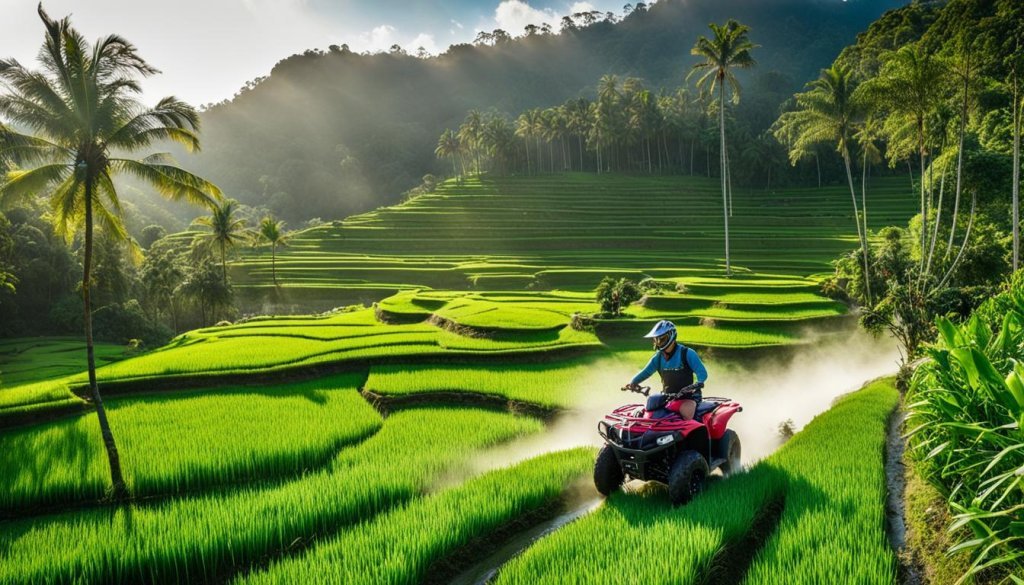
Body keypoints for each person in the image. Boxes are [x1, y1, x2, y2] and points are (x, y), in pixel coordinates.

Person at [624, 320, 708, 420]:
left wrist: (698, 384)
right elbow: (646, 372)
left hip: (687, 398)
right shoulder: (658, 357)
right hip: (666, 398)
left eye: (661, 339)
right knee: (649, 414)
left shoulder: (687, 353)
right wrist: (633, 382)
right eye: (656, 339)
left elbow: (702, 373)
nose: (658, 343)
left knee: (687, 415)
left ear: (671, 336)